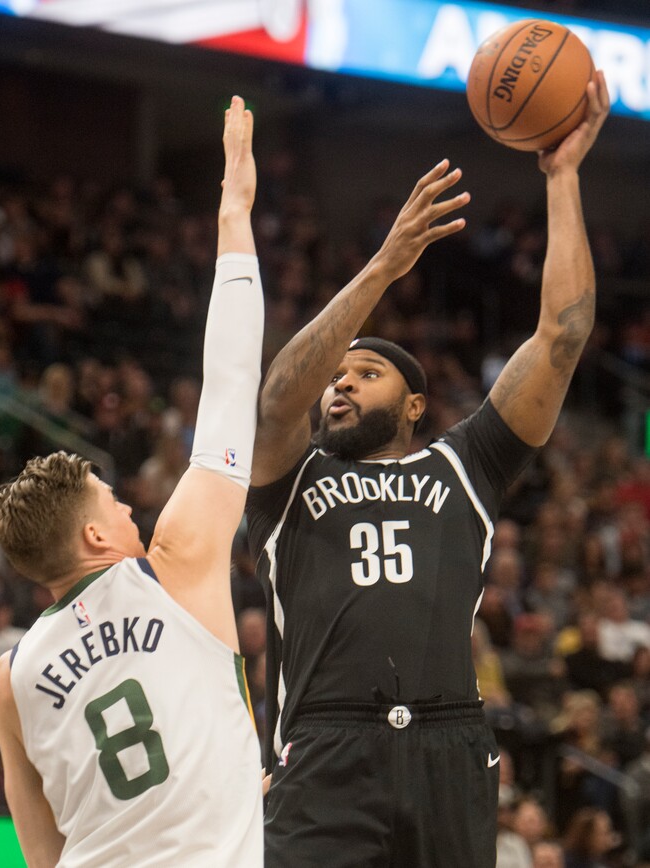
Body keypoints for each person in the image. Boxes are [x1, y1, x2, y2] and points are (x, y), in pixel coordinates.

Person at [246, 73, 609, 867]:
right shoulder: (288, 483)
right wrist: (382, 269)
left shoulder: (465, 465)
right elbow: (277, 401)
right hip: (326, 746)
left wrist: (564, 176)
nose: (340, 380)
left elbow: (563, 334)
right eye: (336, 375)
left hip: (450, 743)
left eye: (366, 371)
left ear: (415, 406)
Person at [0, 96, 265, 867]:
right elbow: (232, 383)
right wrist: (234, 211)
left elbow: (40, 855)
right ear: (93, 534)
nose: (131, 502)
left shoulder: (8, 682)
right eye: (114, 499)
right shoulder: (173, 569)